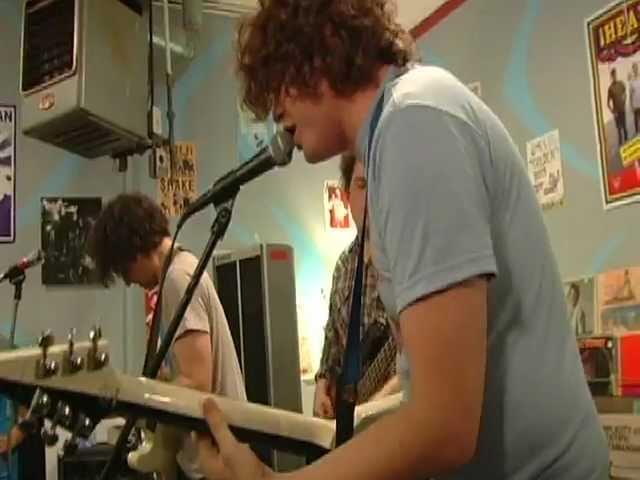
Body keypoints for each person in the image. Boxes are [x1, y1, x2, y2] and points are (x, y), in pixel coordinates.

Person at [196, 1, 609, 479]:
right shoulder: (400, 130)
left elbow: (443, 424)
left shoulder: (415, 122)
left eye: (280, 82)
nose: (275, 112)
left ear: (323, 48)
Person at [87, 192, 246, 480]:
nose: (129, 281)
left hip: (215, 462)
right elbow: (183, 373)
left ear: (132, 250)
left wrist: (143, 405)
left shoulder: (176, 278)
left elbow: (197, 382)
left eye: (124, 270)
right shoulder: (178, 273)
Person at [314, 154, 399, 419]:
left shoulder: (405, 260)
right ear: (347, 195)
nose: (371, 197)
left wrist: (370, 408)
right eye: (362, 185)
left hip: (394, 417)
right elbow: (332, 338)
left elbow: (420, 361)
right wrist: (321, 384)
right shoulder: (344, 265)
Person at [608, 67, 628, 146]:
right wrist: (612, 111)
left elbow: (625, 93)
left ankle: (627, 142)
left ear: (616, 75)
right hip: (616, 112)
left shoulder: (621, 83)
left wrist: (624, 100)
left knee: (625, 127)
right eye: (613, 75)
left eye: (615, 74)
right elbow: (608, 103)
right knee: (619, 129)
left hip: (622, 109)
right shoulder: (610, 88)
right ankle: (620, 144)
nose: (614, 76)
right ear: (611, 77)